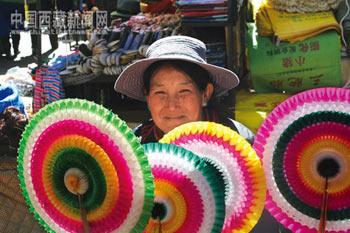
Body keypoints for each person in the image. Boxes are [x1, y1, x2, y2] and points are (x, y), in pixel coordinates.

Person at [114, 35, 291, 232]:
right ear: (147, 97)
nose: (172, 105)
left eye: (184, 92)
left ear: (205, 93)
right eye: (160, 93)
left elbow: (260, 223)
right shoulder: (133, 152)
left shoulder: (242, 149)